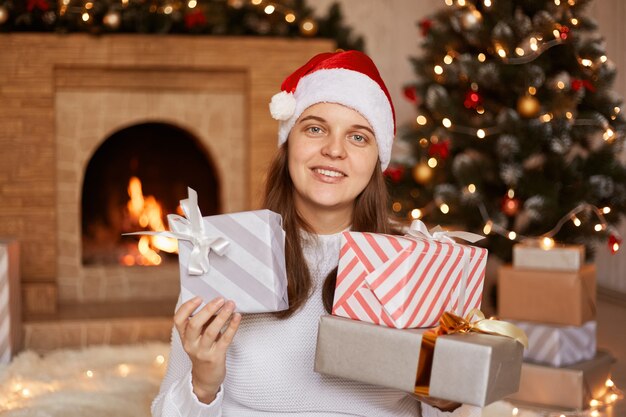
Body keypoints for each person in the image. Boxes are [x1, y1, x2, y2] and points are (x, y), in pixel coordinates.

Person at [151, 50, 480, 417]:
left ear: (377, 160)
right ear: (288, 142)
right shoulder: (222, 251)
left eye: (358, 137)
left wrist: (448, 398)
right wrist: (203, 383)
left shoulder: (420, 262)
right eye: (315, 128)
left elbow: (457, 405)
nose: (333, 150)